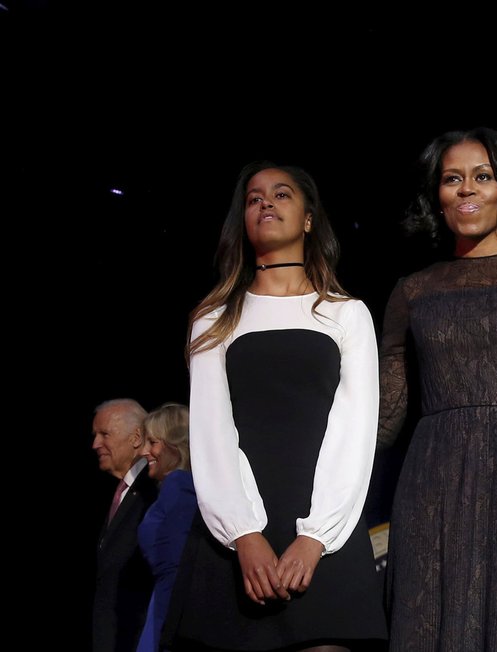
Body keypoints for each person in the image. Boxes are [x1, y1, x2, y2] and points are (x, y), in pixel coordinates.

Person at [164, 161, 387, 651]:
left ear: (308, 219)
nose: (265, 202)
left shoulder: (346, 313)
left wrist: (316, 537)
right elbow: (211, 432)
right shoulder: (215, 318)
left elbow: (354, 429)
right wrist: (243, 534)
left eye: (281, 194)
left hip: (327, 532)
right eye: (253, 198)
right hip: (234, 541)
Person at [378, 126, 497, 651]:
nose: (466, 189)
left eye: (482, 176)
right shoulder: (412, 290)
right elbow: (386, 415)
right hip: (432, 487)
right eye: (452, 179)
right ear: (436, 197)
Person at [92, 398, 159, 652]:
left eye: (104, 434)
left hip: (139, 636)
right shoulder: (123, 491)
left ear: (135, 437)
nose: (95, 444)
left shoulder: (153, 488)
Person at [135, 402, 197, 652]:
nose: (144, 452)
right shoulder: (178, 487)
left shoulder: (179, 486)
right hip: (163, 602)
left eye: (153, 442)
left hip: (169, 608)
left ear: (176, 443)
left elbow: (178, 563)